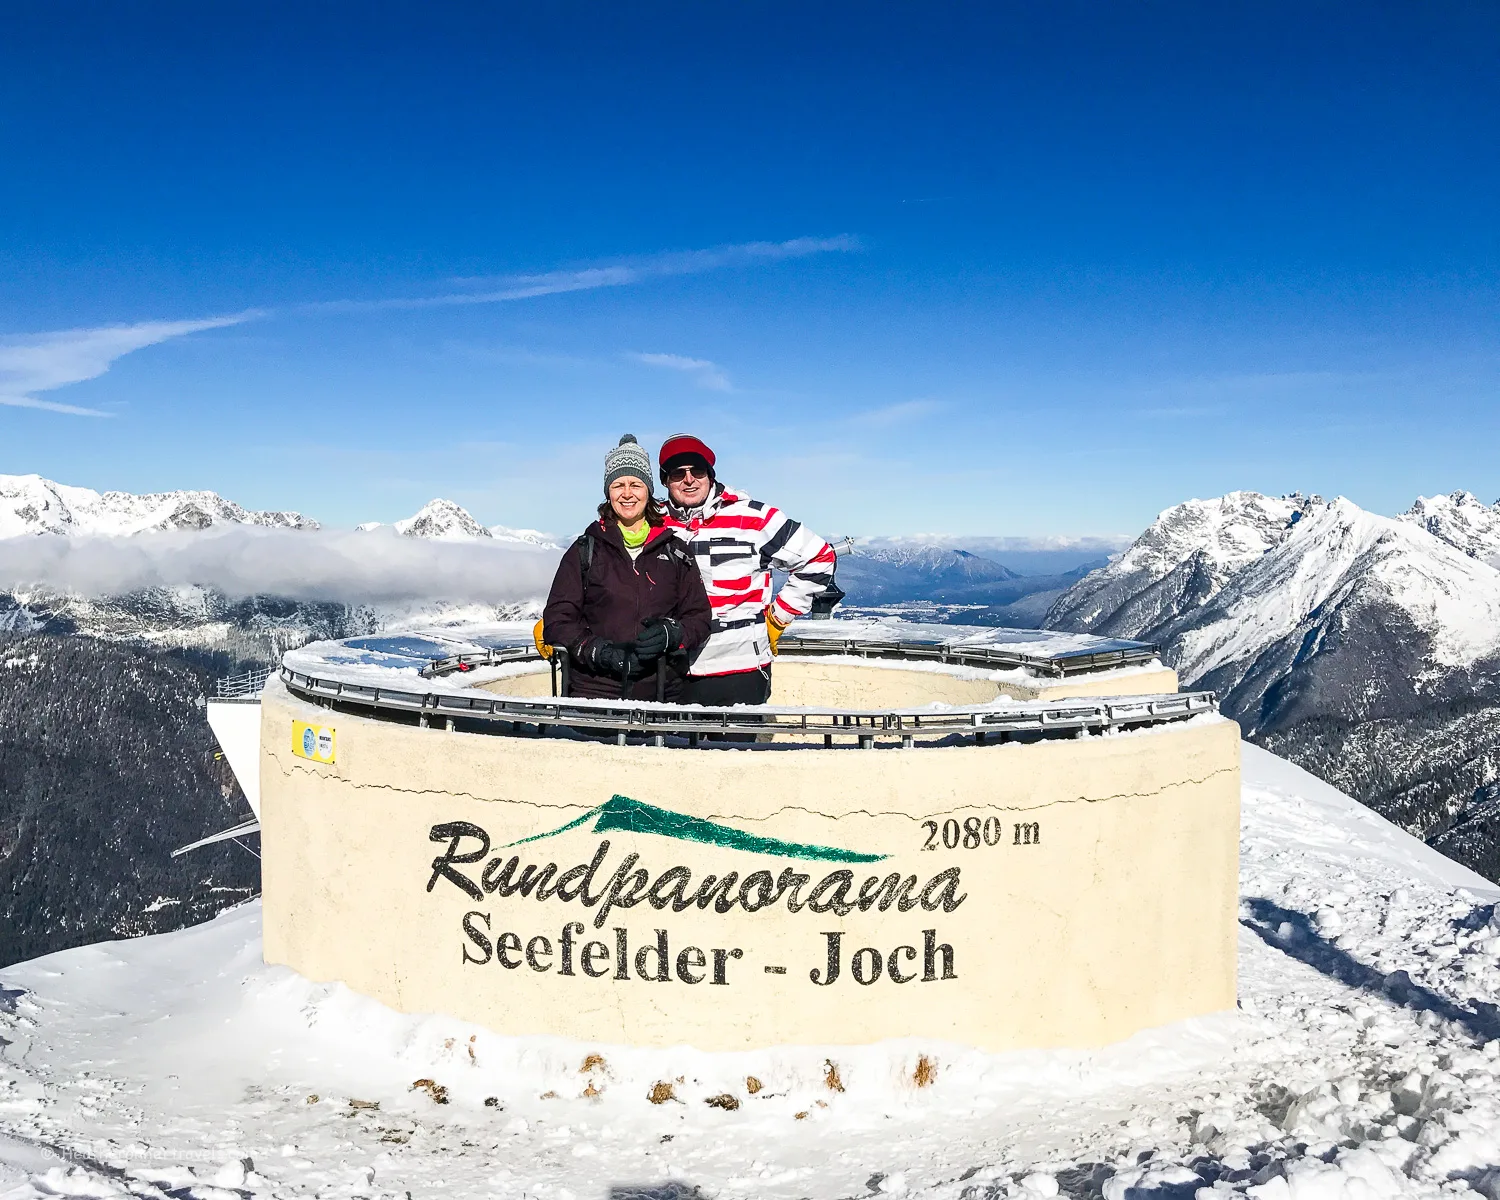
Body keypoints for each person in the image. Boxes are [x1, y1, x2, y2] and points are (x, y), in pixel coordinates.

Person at [658, 432, 836, 706]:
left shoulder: (754, 518)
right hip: (672, 670)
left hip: (740, 671)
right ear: (665, 480)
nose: (689, 479)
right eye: (677, 473)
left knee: (735, 750)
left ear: (711, 474)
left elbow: (819, 557)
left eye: (697, 470)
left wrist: (778, 618)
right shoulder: (654, 523)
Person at [542, 435, 711, 701]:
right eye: (618, 485)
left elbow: (699, 616)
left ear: (649, 491)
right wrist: (597, 651)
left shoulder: (675, 550)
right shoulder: (585, 550)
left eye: (636, 484)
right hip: (594, 692)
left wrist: (673, 633)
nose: (627, 493)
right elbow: (557, 619)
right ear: (608, 493)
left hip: (661, 693)